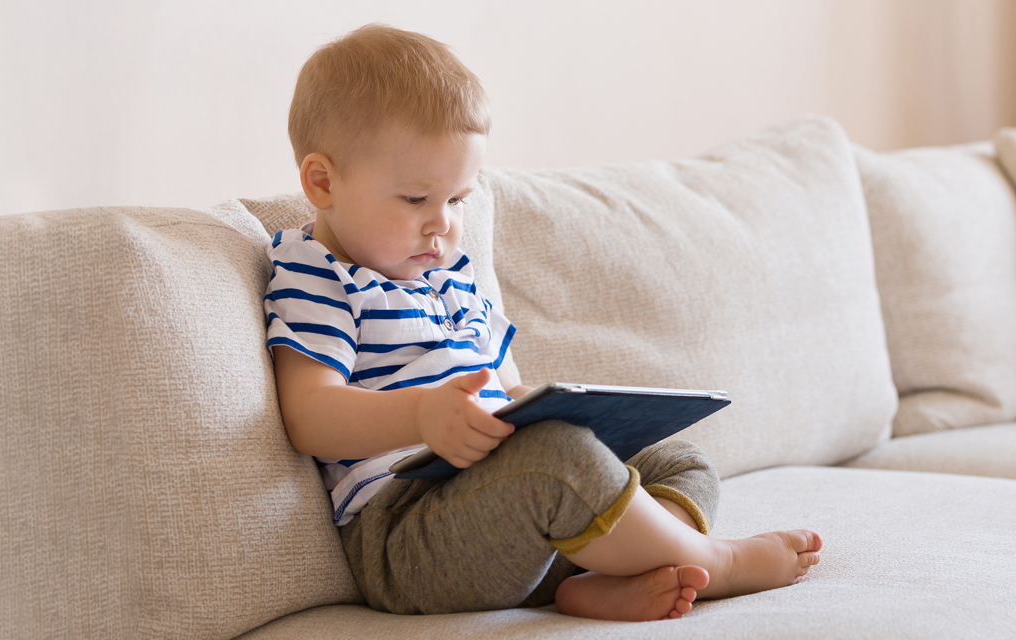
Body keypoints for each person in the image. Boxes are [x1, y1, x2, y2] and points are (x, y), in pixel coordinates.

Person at [264, 24, 823, 622]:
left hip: (514, 514)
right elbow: (309, 416)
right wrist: (423, 414)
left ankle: (594, 580)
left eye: (456, 200)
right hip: (408, 533)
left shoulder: (449, 273)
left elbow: (506, 391)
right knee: (558, 461)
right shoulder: (317, 274)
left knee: (674, 458)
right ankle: (720, 563)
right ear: (322, 182)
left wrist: (543, 409)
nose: (442, 226)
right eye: (414, 200)